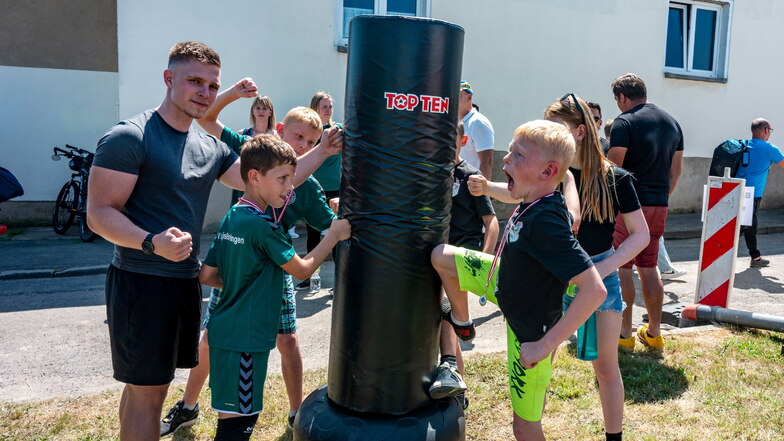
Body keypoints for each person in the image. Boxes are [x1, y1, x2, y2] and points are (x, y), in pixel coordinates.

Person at [86, 41, 341, 439]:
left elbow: (268, 179)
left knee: (146, 389)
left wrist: (322, 151)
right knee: (147, 393)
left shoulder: (209, 146)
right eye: (195, 81)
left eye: (212, 84)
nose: (205, 92)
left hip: (184, 282)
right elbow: (99, 213)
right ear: (169, 79)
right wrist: (151, 241)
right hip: (143, 280)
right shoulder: (131, 137)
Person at [159, 81, 339, 436]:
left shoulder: (305, 186)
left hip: (275, 267)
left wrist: (338, 213)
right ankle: (189, 406)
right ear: (282, 131)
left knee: (287, 340)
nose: (302, 146)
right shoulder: (259, 152)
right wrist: (231, 94)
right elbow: (207, 119)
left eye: (310, 142)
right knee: (213, 337)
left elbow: (330, 226)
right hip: (239, 262)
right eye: (297, 137)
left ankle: (295, 413)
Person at [433, 120, 607, 441]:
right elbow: (516, 195)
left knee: (525, 427)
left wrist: (544, 345)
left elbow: (594, 291)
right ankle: (461, 319)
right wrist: (487, 188)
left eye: (518, 155)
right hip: (503, 281)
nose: (505, 159)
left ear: (546, 172)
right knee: (442, 256)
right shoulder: (535, 197)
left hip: (529, 328)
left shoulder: (547, 223)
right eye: (510, 150)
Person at [199, 134, 351, 441]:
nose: (290, 187)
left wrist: (244, 283)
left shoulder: (233, 216)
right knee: (239, 424)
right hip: (246, 339)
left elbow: (207, 274)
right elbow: (303, 268)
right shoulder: (264, 226)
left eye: (291, 178)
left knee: (233, 418)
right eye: (282, 179)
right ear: (254, 177)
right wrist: (333, 236)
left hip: (225, 332)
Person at [544, 94, 649, 441]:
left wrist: (603, 271)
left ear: (580, 132)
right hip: (552, 276)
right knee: (540, 360)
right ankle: (531, 428)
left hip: (601, 272)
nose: (549, 136)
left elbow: (640, 236)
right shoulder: (550, 174)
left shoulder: (616, 178)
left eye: (556, 129)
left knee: (605, 367)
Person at [607, 73, 684, 351]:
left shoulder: (623, 122)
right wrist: (661, 197)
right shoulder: (672, 123)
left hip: (629, 206)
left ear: (622, 97)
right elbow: (676, 170)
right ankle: (654, 333)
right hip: (659, 203)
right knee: (650, 267)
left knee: (622, 268)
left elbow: (612, 169)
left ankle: (624, 335)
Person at [433, 120, 500, 408]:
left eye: (450, 138)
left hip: (462, 256)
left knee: (447, 312)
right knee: (441, 318)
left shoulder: (471, 177)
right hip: (435, 257)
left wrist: (484, 260)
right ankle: (456, 385)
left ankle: (453, 378)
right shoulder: (430, 175)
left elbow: (492, 222)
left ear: (462, 142)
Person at [299, 91, 343, 290]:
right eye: (324, 106)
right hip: (314, 188)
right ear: (315, 108)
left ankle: (339, 282)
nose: (328, 110)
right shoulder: (311, 133)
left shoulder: (340, 130)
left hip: (336, 190)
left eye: (330, 107)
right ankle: (310, 277)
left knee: (337, 236)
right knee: (313, 236)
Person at [737, 118, 784, 268]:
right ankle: (755, 258)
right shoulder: (770, 148)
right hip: (752, 193)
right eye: (769, 130)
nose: (769, 133)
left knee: (738, 223)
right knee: (749, 225)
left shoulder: (743, 145)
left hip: (735, 189)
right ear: (765, 130)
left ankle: (719, 253)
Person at [458, 81, 495, 179]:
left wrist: (482, 191)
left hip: (471, 187)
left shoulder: (478, 122)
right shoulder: (455, 121)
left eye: (458, 96)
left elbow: (487, 161)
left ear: (469, 97)